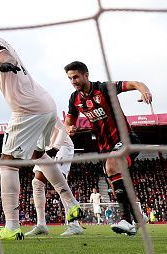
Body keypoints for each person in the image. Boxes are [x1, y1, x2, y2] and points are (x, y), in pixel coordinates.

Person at [0, 14, 83, 241]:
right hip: (45, 105)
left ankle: (11, 226)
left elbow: (3, 56)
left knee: (7, 162)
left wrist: (6, 62)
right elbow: (4, 60)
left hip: (27, 110)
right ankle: (72, 203)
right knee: (39, 154)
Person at [64, 61, 152, 235]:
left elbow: (134, 83)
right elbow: (69, 121)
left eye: (76, 77)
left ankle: (125, 219)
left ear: (86, 75)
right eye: (70, 78)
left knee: (112, 164)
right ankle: (137, 217)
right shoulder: (75, 98)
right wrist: (69, 128)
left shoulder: (104, 88)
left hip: (126, 138)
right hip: (104, 146)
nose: (73, 81)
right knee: (113, 180)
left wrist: (144, 91)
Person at [23, 117, 84, 236]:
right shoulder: (27, 115)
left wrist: (55, 148)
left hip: (62, 146)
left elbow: (62, 129)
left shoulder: (43, 106)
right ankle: (41, 224)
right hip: (46, 148)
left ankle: (74, 224)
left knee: (59, 182)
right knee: (37, 183)